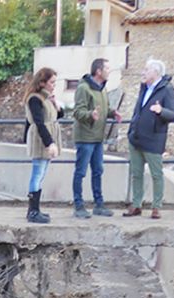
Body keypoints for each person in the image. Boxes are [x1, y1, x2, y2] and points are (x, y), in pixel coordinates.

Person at [123, 58, 174, 220]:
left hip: (153, 139)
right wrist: (131, 129)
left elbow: (173, 114)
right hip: (136, 137)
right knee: (136, 173)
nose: (143, 72)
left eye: (146, 70)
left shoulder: (167, 89)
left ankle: (156, 206)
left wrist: (161, 110)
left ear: (156, 72)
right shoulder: (144, 88)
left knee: (156, 174)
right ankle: (136, 204)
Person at [71, 58, 122, 219]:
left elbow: (102, 109)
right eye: (107, 68)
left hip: (98, 138)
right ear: (98, 71)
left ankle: (98, 204)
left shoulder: (102, 89)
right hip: (85, 137)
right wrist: (90, 116)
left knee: (98, 171)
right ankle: (78, 205)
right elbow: (78, 112)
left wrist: (112, 113)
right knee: (81, 172)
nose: (109, 71)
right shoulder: (83, 89)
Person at [23, 67, 63, 224]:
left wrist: (55, 104)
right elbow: (39, 122)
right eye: (52, 82)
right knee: (37, 174)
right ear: (42, 82)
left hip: (47, 135)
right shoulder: (35, 99)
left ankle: (35, 209)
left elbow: (57, 115)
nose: (54, 85)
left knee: (41, 173)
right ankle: (33, 211)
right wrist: (49, 143)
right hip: (41, 139)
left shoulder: (46, 98)